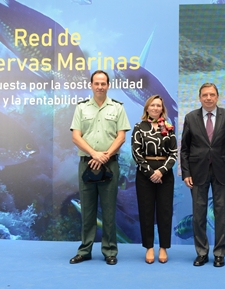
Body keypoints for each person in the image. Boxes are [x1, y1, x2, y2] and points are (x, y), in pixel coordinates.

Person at [69, 70, 131, 265]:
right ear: (91, 85)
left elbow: (121, 137)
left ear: (108, 85)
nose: (100, 86)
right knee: (87, 209)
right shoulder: (81, 108)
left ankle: (110, 251)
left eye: (103, 83)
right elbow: (75, 136)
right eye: (96, 83)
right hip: (87, 164)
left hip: (110, 164)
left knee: (109, 209)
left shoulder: (118, 108)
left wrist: (104, 156)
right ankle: (85, 250)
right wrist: (95, 154)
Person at [180, 83, 225, 267]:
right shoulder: (190, 118)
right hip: (197, 172)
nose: (208, 98)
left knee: (221, 214)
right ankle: (202, 252)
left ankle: (220, 253)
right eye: (204, 95)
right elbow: (184, 149)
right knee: (199, 214)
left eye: (212, 95)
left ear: (217, 97)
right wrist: (186, 173)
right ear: (199, 97)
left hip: (223, 171)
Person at [131, 95, 177, 264]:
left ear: (162, 108)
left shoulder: (169, 127)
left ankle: (163, 247)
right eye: (153, 105)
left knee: (165, 211)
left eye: (159, 105)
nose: (156, 108)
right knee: (146, 210)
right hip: (145, 174)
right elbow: (136, 153)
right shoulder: (139, 127)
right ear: (147, 108)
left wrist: (161, 171)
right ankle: (149, 247)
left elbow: (174, 153)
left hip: (165, 174)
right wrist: (151, 172)